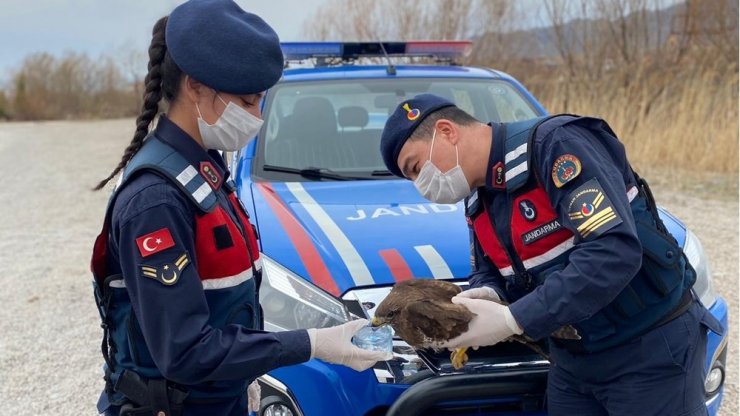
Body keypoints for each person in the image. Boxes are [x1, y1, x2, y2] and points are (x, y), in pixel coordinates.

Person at [90, 1, 387, 415]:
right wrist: (313, 344)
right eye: (248, 102)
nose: (257, 117)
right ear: (195, 87)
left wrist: (240, 378)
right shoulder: (156, 200)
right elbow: (186, 350)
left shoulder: (204, 171)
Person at [379, 93, 724, 415]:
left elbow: (613, 251)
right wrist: (487, 294)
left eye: (415, 167)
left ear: (446, 131)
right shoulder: (476, 198)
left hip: (646, 348)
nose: (421, 183)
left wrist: (514, 319)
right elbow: (490, 269)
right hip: (572, 360)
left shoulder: (555, 148)